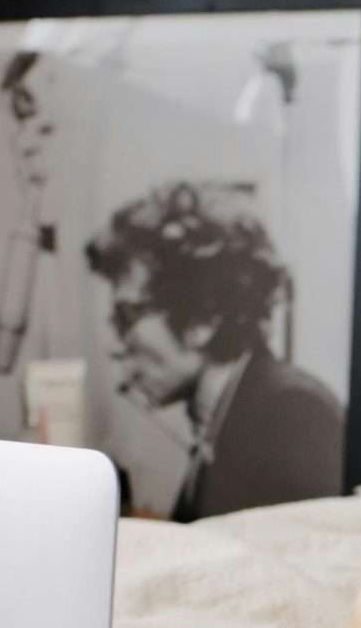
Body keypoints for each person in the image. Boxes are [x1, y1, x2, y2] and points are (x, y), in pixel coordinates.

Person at [83, 181, 345, 519]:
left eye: (127, 316)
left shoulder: (291, 411)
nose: (114, 344)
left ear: (203, 320)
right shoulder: (220, 421)